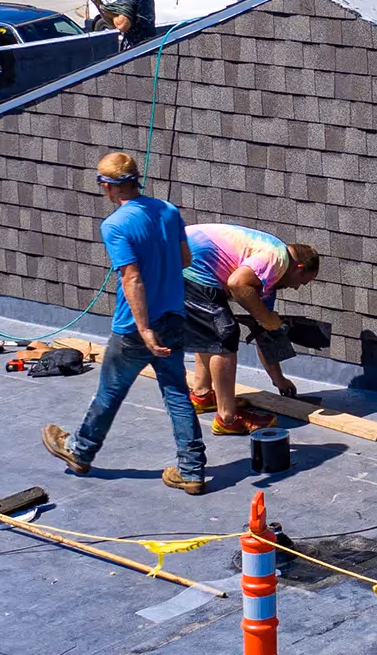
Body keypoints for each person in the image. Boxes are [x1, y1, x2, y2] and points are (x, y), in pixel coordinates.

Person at [43, 150, 210, 494]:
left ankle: (80, 450)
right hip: (174, 317)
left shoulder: (115, 225)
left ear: (107, 186)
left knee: (111, 391)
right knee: (177, 392)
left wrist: (145, 329)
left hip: (136, 327)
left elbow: (131, 278)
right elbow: (184, 258)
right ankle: (192, 471)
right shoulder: (168, 210)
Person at [180, 225, 324, 435]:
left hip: (185, 259)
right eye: (303, 281)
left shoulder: (269, 280)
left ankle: (201, 395)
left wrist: (278, 379)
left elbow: (263, 334)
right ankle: (227, 419)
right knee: (225, 333)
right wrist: (265, 318)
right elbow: (237, 283)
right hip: (186, 261)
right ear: (299, 267)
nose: (297, 288)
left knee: (211, 329)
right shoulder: (276, 258)